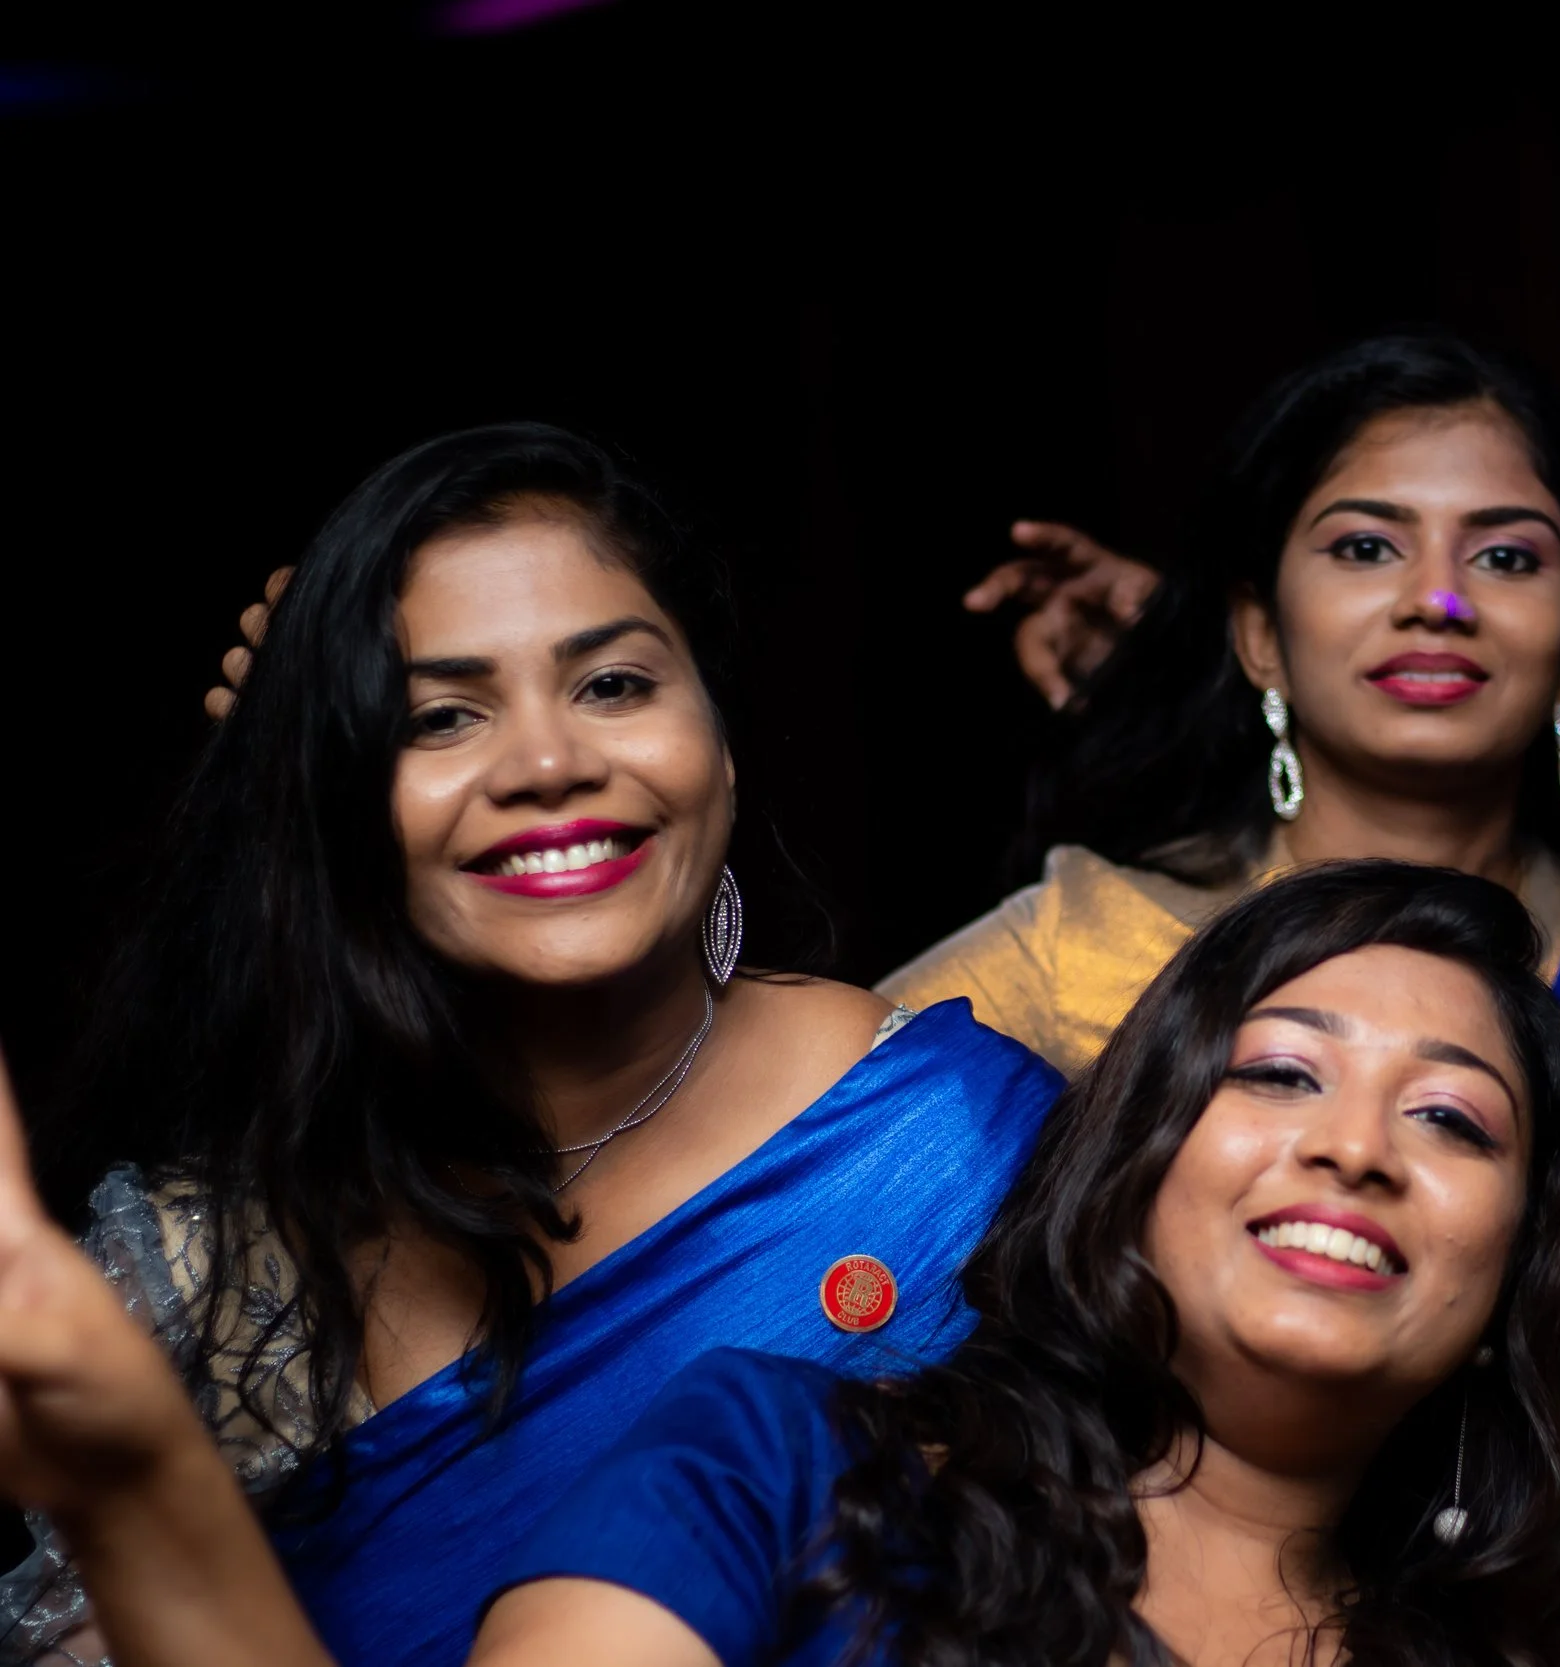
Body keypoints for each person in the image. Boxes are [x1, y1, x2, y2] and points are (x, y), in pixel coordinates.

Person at [0, 866, 1560, 1666]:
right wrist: (138, 1472)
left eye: (1456, 1120)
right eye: (1281, 1072)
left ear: (1517, 1264)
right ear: (1134, 1154)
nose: (1354, 1143)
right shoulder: (774, 1466)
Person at [2, 424, 1064, 1667]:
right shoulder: (210, 1272)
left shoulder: (962, 1149)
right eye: (440, 716)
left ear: (719, 736)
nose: (549, 763)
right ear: (337, 805)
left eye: (612, 684)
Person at [882, 334, 1560, 1450]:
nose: (1437, 601)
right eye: (1366, 547)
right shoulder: (1078, 945)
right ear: (1261, 633)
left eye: (1506, 558)